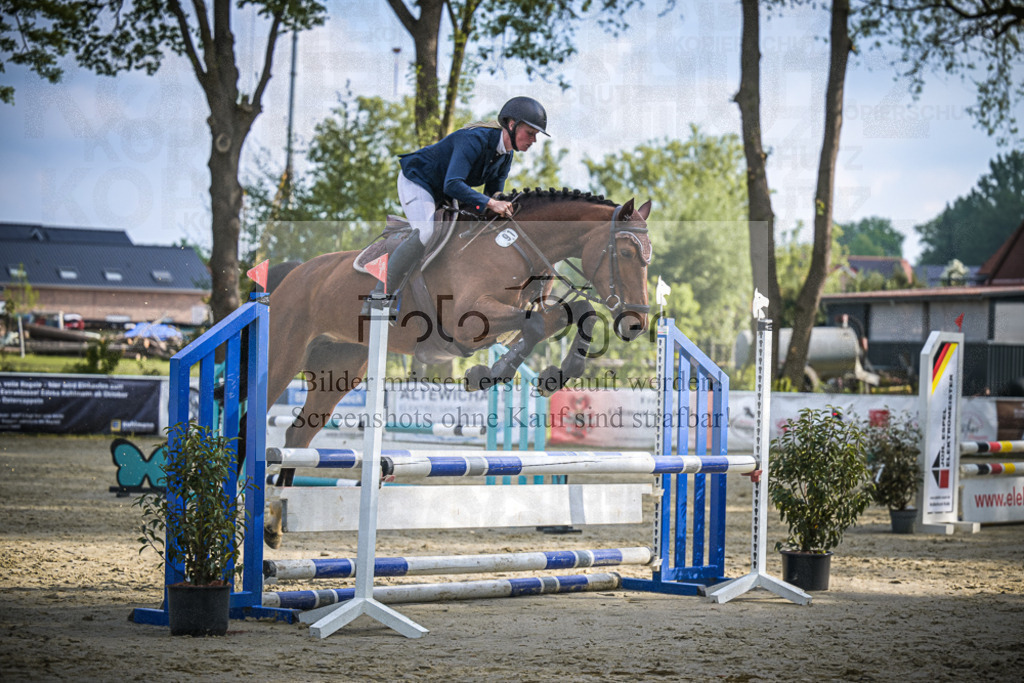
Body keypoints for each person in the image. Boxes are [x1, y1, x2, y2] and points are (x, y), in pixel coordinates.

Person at [377, 96, 549, 296]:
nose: (534, 140)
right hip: (418, 180)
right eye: (530, 133)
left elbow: (493, 193)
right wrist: (492, 202)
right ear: (512, 125)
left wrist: (507, 206)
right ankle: (380, 293)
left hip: (443, 189)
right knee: (425, 232)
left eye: (535, 135)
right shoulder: (474, 140)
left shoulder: (506, 155)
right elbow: (453, 184)